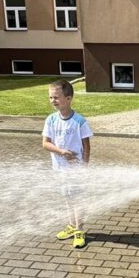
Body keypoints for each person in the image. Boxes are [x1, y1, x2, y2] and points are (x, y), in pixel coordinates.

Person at [42, 79, 93, 249]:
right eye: (50, 97)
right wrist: (61, 152)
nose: (52, 101)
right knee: (67, 198)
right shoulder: (50, 120)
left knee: (77, 199)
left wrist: (84, 166)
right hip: (59, 170)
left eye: (56, 97)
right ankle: (72, 226)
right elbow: (45, 143)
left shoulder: (80, 121)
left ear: (69, 98)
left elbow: (86, 146)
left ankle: (80, 230)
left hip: (76, 170)